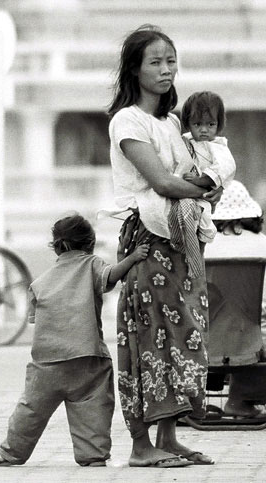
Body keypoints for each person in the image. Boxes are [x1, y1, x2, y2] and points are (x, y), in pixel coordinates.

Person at [108, 25, 221, 467]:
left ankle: (170, 437)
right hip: (147, 244)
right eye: (155, 62)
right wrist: (206, 189)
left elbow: (195, 174)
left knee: (182, 334)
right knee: (147, 338)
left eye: (170, 61)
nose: (166, 70)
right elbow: (161, 181)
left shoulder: (173, 122)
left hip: (181, 243)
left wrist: (202, 188)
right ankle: (140, 446)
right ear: (134, 69)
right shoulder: (127, 120)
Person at [0, 213, 150, 468]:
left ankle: (10, 455)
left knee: (29, 411)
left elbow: (36, 318)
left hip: (46, 363)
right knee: (94, 409)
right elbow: (110, 277)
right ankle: (92, 455)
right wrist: (133, 257)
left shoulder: (39, 283)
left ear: (56, 246)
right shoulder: (91, 264)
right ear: (91, 243)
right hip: (87, 360)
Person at [206, 180, 266, 418]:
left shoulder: (202, 247)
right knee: (255, 330)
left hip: (204, 339)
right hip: (251, 339)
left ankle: (192, 403)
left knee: (221, 326)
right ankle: (241, 400)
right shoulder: (262, 246)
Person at [167, 91, 236, 268]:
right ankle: (182, 248)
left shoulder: (217, 146)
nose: (204, 130)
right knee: (181, 221)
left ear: (219, 125)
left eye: (210, 124)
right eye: (197, 124)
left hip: (201, 195)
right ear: (188, 124)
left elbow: (225, 168)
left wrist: (200, 180)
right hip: (181, 192)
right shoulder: (185, 140)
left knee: (203, 225)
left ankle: (198, 258)